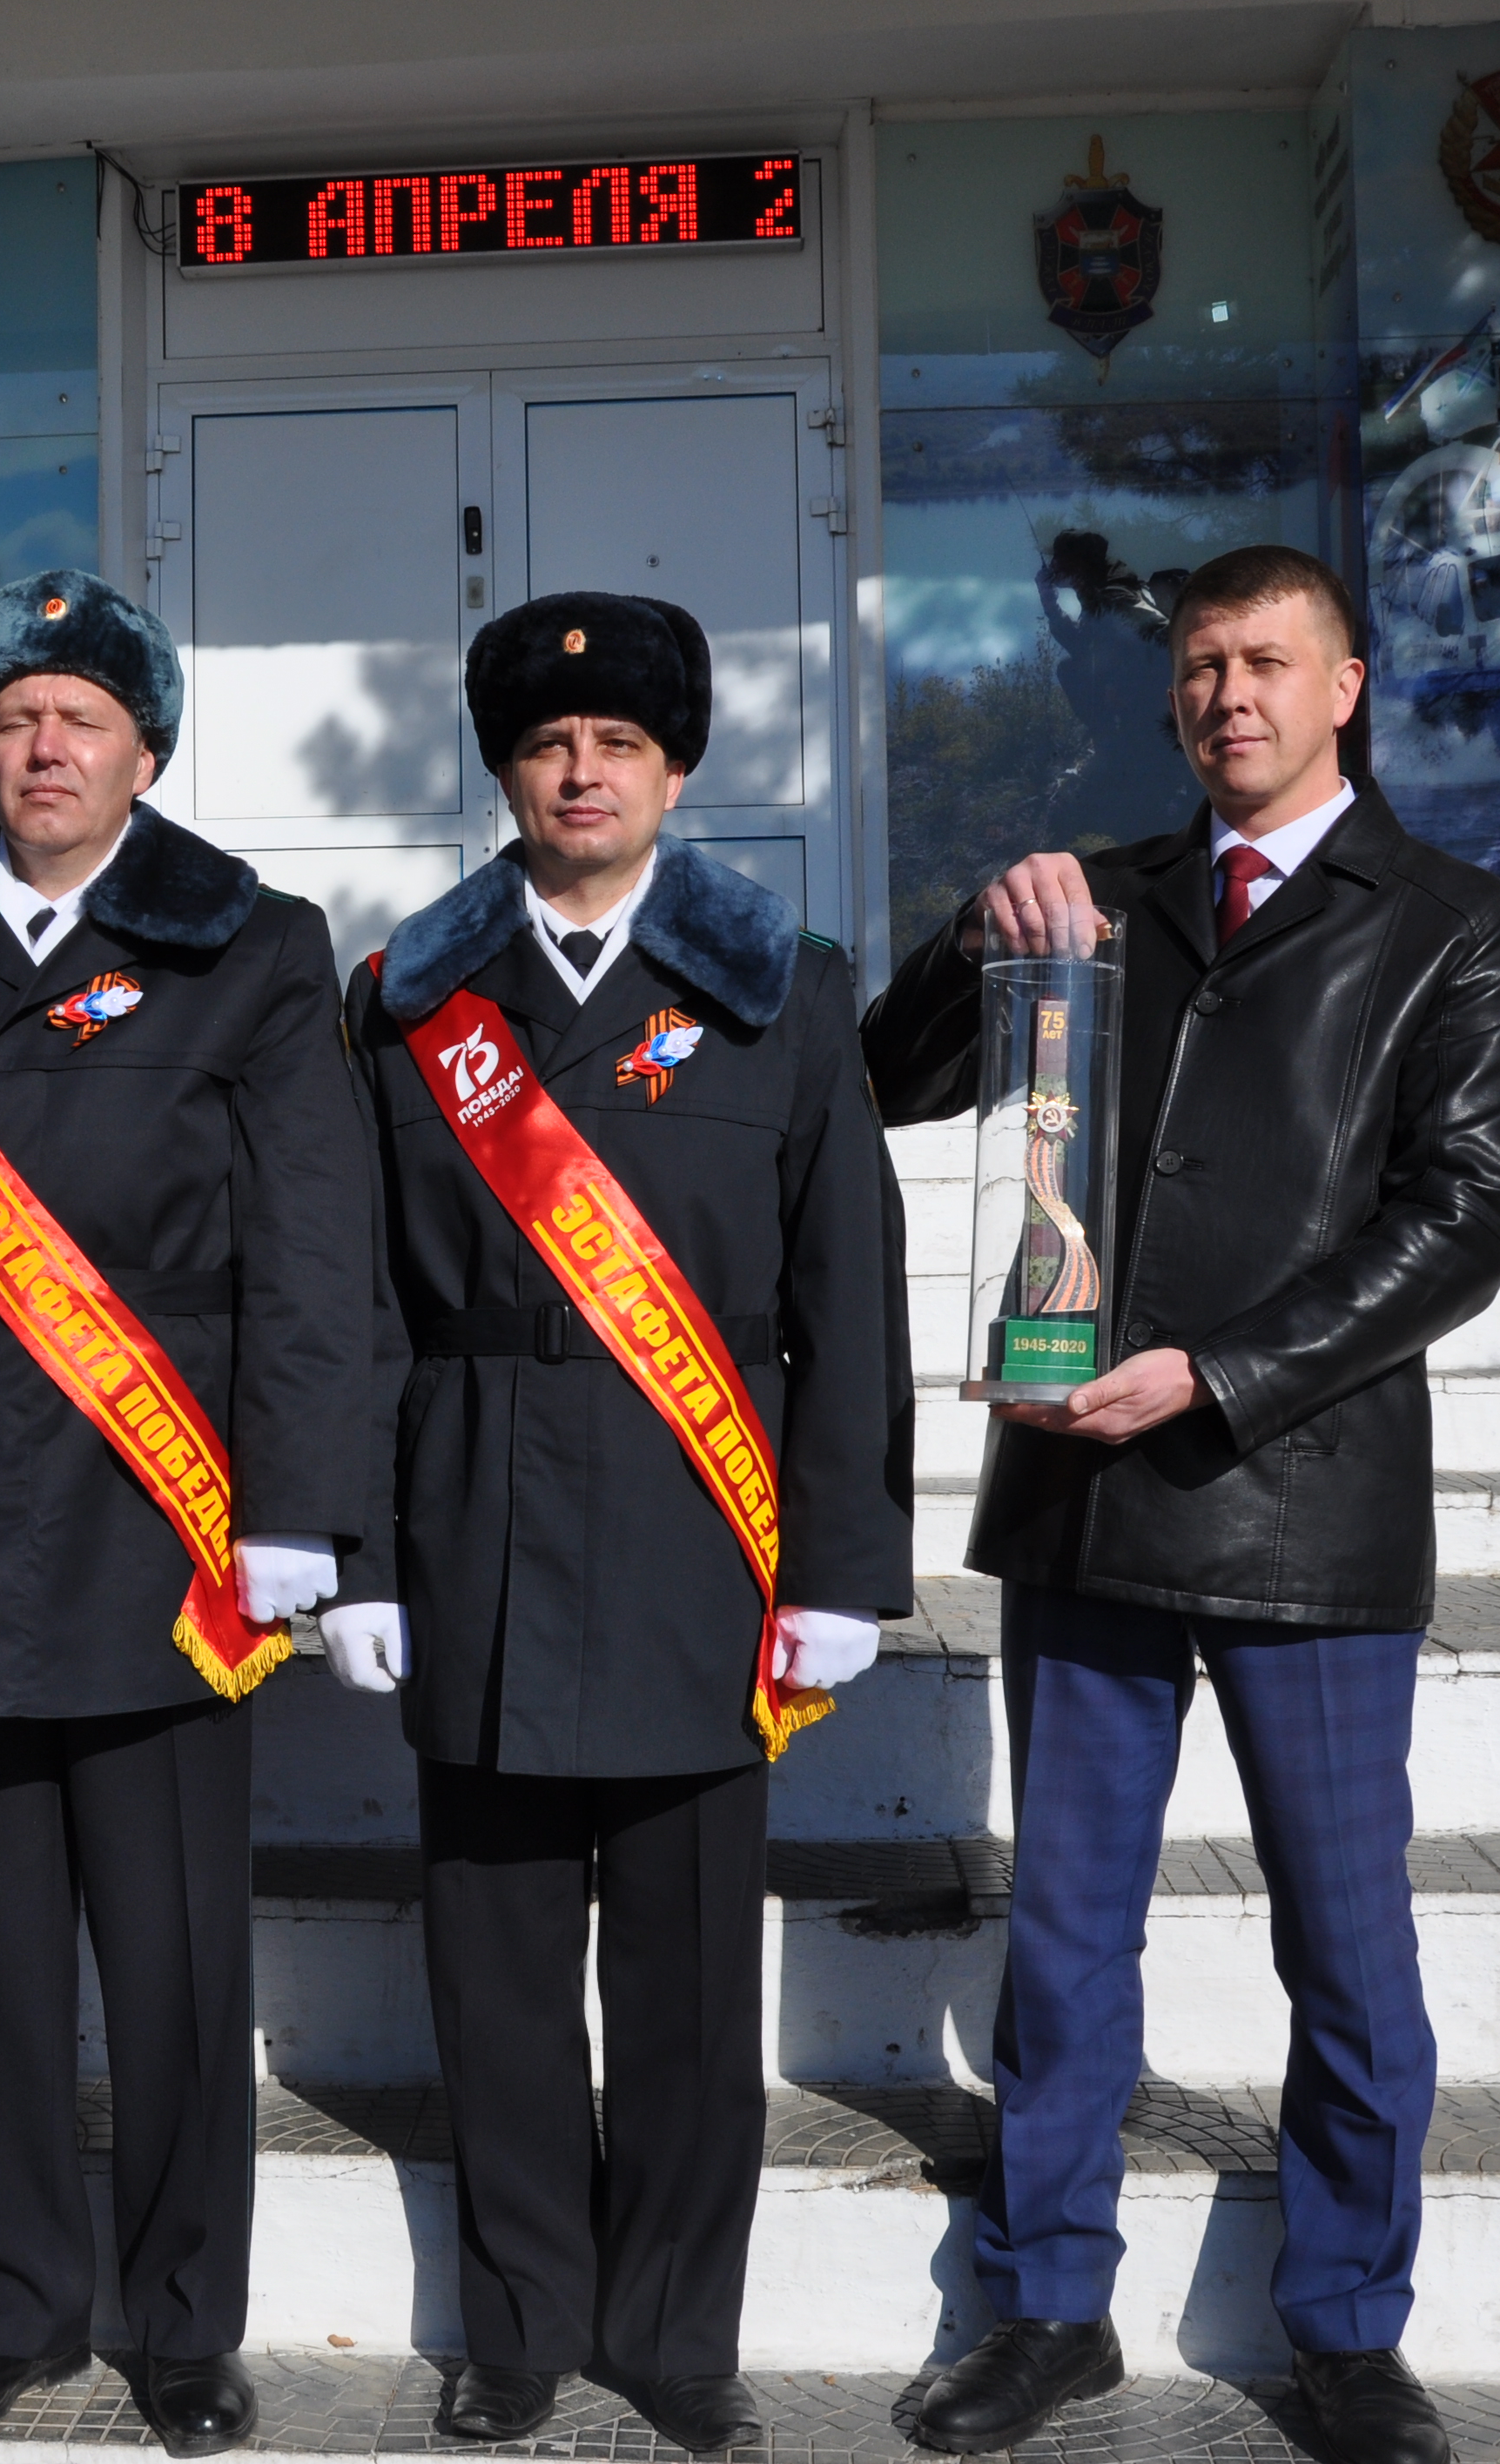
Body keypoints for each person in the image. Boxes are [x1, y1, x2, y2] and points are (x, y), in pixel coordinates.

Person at [859, 545, 1500, 2464]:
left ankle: (1341, 2324)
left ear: (1344, 687)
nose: (1222, 694)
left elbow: (1460, 1219)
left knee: (1343, 1940)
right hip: (1082, 1504)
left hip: (1300, 1505)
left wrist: (1222, 1372)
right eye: (1195, 666)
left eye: (1261, 661)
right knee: (1067, 1934)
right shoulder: (1101, 899)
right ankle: (1046, 2302)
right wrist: (968, 938)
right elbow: (886, 1078)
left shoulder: (1449, 923)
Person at [0, 569, 373, 2460]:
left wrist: (298, 1508)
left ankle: (183, 2323)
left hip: (161, 1505)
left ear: (145, 749)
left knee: (178, 1954)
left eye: (80, 718)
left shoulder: (249, 942)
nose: (42, 745)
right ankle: (4, 2314)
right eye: (13, 715)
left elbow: (310, 1249)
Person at [328, 592, 915, 2456]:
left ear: (677, 768)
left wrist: (835, 1564)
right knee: (493, 1974)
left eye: (618, 743)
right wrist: (348, 1548)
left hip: (693, 1537)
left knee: (681, 1978)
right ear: (502, 768)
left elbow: (847, 1294)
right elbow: (347, 1300)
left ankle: (671, 2330)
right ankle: (518, 2322)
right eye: (543, 743)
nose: (579, 770)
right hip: (472, 1512)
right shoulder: (408, 998)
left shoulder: (784, 987)